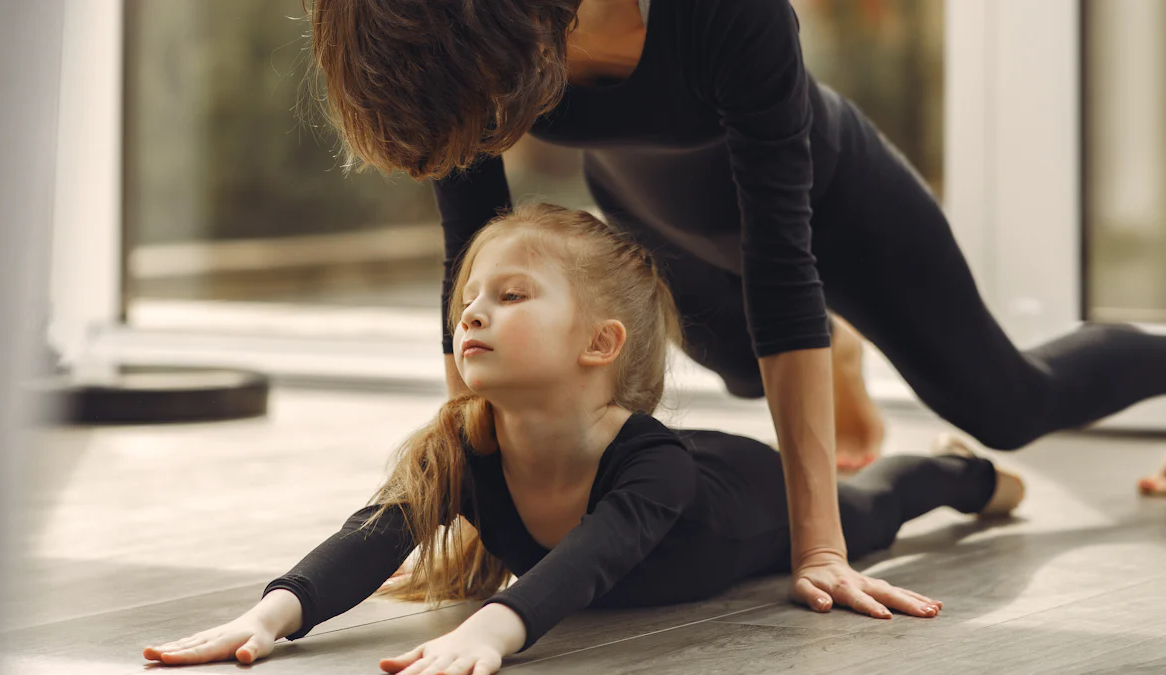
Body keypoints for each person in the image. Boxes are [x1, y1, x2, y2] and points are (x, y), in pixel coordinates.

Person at [301, 0, 1166, 608]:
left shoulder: (723, 11)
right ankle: (832, 352)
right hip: (657, 214)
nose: (491, 116)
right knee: (751, 374)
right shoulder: (459, 55)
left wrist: (820, 546)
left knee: (1005, 405)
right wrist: (476, 511)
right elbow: (472, 252)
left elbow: (783, 269)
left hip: (831, 207)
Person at [143, 205, 1024, 674]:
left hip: (740, 496)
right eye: (469, 300)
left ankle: (961, 471)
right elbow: (370, 537)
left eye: (511, 296)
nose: (472, 313)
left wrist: (494, 631)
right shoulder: (466, 445)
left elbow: (589, 561)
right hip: (674, 484)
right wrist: (268, 616)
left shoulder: (654, 463)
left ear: (600, 343)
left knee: (871, 505)